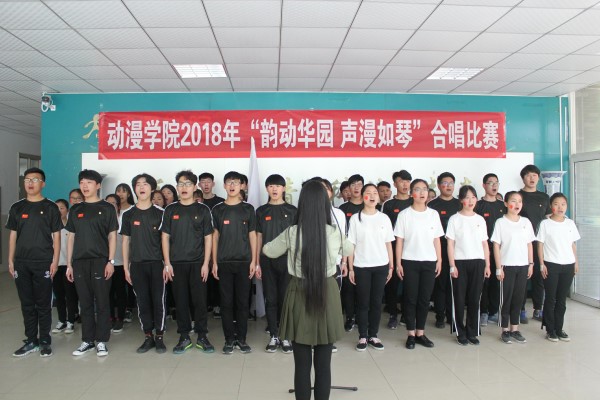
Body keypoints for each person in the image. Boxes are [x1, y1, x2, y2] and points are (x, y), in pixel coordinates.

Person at [263, 180, 354, 400]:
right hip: (327, 292)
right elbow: (349, 249)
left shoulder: (292, 232)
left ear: (302, 204)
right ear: (325, 204)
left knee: (301, 365)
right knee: (324, 364)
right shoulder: (334, 232)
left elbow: (268, 251)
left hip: (298, 291)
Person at [7, 167, 62, 357]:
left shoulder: (50, 207)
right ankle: (31, 340)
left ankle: (45, 340)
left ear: (43, 184)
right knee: (27, 303)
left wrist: (55, 261)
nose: (30, 183)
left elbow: (56, 237)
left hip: (43, 262)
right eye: (27, 180)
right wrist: (10, 260)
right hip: (22, 262)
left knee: (43, 304)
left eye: (35, 180)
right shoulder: (17, 207)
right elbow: (13, 236)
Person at [66, 169, 118, 357]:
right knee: (85, 302)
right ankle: (87, 340)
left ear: (98, 185)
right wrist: (69, 264)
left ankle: (102, 340)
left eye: (89, 182)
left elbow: (112, 236)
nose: (85, 186)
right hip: (79, 262)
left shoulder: (107, 208)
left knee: (102, 301)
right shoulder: (75, 209)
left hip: (100, 261)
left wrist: (110, 261)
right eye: (82, 182)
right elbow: (71, 237)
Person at [161, 170, 214, 354]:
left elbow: (208, 237)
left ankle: (202, 336)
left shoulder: (203, 209)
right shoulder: (170, 210)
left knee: (200, 301)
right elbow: (165, 237)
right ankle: (184, 336)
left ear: (194, 187)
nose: (184, 187)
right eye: (181, 184)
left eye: (188, 184)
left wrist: (206, 263)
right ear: (177, 187)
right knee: (181, 301)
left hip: (198, 263)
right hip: (176, 263)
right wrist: (167, 263)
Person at [395, 179, 443, 349]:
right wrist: (398, 263)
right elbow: (399, 241)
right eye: (417, 189)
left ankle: (420, 333)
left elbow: (436, 239)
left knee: (424, 299)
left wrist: (439, 260)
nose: (421, 193)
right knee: (410, 298)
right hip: (409, 262)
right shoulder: (404, 215)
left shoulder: (433, 214)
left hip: (429, 261)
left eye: (424, 189)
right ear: (411, 193)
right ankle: (410, 334)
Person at [212, 171, 257, 354]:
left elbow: (253, 235)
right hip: (224, 262)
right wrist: (214, 262)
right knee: (226, 303)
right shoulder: (217, 210)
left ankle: (242, 339)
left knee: (242, 303)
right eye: (229, 182)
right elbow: (215, 237)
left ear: (242, 186)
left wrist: (254, 261)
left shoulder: (248, 209)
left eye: (236, 182)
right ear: (224, 185)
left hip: (244, 262)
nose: (232, 186)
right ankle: (229, 339)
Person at [121, 173, 167, 353]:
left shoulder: (161, 213)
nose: (141, 187)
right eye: (138, 184)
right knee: (142, 301)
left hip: (157, 264)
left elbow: (165, 241)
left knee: (159, 301)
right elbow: (126, 241)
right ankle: (148, 336)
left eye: (145, 184)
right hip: (137, 265)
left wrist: (167, 264)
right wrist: (126, 267)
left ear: (152, 188)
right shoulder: (128, 214)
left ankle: (160, 336)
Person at [348, 184, 394, 351]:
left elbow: (388, 243)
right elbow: (351, 244)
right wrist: (350, 268)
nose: (373, 196)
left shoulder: (384, 218)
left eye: (375, 193)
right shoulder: (355, 218)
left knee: (376, 302)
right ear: (362, 197)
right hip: (361, 266)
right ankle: (362, 336)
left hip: (381, 266)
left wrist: (391, 266)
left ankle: (373, 335)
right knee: (363, 303)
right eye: (368, 193)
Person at [256, 174, 297, 353]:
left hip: (287, 260)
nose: (274, 189)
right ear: (267, 189)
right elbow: (258, 237)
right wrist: (257, 263)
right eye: (271, 186)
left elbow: (296, 237)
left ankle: (285, 336)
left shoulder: (293, 210)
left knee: (285, 299)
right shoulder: (261, 211)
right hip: (267, 260)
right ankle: (274, 335)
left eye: (278, 186)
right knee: (271, 298)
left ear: (283, 189)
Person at [447, 185, 490, 346]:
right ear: (461, 200)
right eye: (467, 197)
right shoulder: (454, 219)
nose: (470, 201)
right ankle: (460, 331)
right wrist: (452, 265)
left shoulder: (480, 219)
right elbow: (450, 244)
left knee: (474, 298)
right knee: (459, 298)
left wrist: (487, 265)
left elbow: (485, 244)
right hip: (460, 262)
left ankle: (472, 331)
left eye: (473, 197)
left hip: (478, 262)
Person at [491, 191, 535, 344]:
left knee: (518, 298)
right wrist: (498, 267)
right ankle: (504, 330)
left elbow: (529, 244)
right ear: (505, 203)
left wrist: (531, 263)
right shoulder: (500, 222)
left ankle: (514, 329)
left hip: (522, 266)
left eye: (519, 201)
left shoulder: (526, 222)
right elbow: (496, 246)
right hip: (506, 266)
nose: (517, 204)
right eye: (513, 201)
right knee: (506, 299)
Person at [537, 193, 580, 342]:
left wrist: (576, 262)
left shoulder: (570, 223)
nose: (560, 207)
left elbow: (572, 244)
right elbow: (540, 245)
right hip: (551, 265)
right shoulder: (545, 224)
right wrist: (541, 264)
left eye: (563, 204)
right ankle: (550, 330)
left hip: (568, 265)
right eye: (556, 204)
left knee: (562, 299)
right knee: (551, 298)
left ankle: (559, 328)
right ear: (551, 206)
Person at [428, 172, 461, 329]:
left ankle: (451, 315)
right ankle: (440, 316)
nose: (448, 186)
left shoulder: (460, 204)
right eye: (445, 183)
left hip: (457, 250)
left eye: (451, 183)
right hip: (439, 250)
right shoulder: (432, 205)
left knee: (454, 285)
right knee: (440, 285)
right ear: (439, 185)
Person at [519, 164, 551, 323]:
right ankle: (521, 310)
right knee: (522, 278)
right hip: (522, 243)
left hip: (539, 242)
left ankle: (538, 309)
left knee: (539, 276)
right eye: (528, 175)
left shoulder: (544, 197)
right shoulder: (518, 196)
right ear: (523, 178)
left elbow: (548, 219)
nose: (532, 178)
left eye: (534, 175)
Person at [381, 170, 413, 329]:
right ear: (395, 184)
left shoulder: (415, 202)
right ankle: (393, 314)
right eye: (401, 181)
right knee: (392, 284)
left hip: (411, 250)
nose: (405, 184)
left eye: (408, 181)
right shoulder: (388, 205)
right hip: (393, 249)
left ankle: (407, 315)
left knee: (410, 284)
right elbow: (383, 229)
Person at [475, 173, 505, 326]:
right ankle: (483, 312)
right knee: (483, 282)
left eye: (496, 183)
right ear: (484, 185)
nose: (494, 185)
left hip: (500, 251)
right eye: (490, 183)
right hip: (482, 250)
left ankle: (494, 311)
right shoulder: (478, 205)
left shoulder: (503, 206)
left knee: (497, 281)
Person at [338, 174, 364, 332]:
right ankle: (350, 317)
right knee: (348, 288)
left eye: (359, 184)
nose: (356, 188)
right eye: (353, 185)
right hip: (347, 254)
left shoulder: (369, 206)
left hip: (365, 253)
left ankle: (361, 317)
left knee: (363, 288)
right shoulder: (343, 209)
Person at [52, 198, 77, 335]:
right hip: (55, 266)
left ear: (67, 210)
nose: (58, 210)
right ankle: (61, 320)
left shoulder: (71, 227)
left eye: (61, 208)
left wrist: (71, 264)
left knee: (70, 295)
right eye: (56, 208)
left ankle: (71, 321)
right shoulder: (51, 227)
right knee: (59, 295)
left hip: (69, 266)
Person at [105, 194, 127, 333]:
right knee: (107, 292)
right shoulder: (102, 218)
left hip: (120, 263)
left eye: (113, 203)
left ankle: (120, 318)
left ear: (118, 206)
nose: (110, 205)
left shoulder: (123, 219)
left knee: (120, 292)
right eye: (108, 203)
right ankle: (110, 317)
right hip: (106, 263)